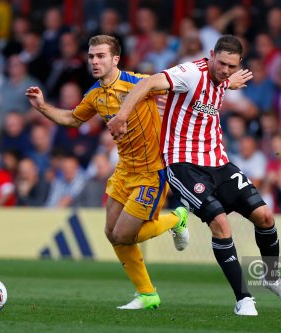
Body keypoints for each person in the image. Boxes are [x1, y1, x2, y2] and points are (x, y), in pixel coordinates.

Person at [108, 35, 281, 316]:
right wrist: (122, 116)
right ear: (211, 55)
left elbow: (220, 84)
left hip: (218, 162)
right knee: (221, 224)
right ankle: (243, 299)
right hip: (183, 165)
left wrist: (229, 82)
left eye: (232, 66)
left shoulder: (224, 79)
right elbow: (149, 82)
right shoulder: (189, 73)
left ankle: (271, 277)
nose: (225, 70)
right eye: (221, 63)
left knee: (265, 216)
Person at [26, 35, 188, 310]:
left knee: (125, 234)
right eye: (91, 56)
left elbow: (182, 91)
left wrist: (224, 84)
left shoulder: (140, 83)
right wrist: (42, 107)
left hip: (152, 171)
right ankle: (147, 295)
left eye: (101, 56)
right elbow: (72, 119)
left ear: (116, 59)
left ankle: (176, 219)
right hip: (124, 170)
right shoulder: (95, 94)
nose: (94, 61)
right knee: (112, 233)